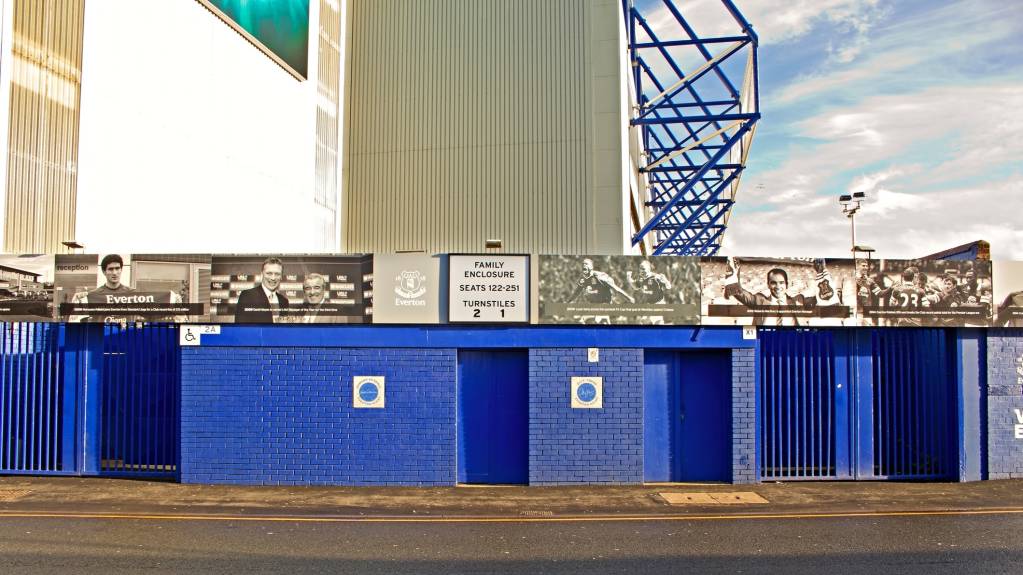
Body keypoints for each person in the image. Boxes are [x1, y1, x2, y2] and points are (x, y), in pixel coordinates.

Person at [723, 257, 832, 326]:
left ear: (787, 284)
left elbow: (822, 298)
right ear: (768, 284)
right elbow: (739, 293)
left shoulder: (799, 301)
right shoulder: (759, 301)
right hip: (765, 342)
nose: (778, 286)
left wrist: (821, 272)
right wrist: (734, 274)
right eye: (773, 283)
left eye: (781, 282)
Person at [234, 257, 289, 324]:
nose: (273, 278)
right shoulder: (247, 296)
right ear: (261, 275)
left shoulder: (284, 301)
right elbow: (241, 328)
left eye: (277, 274)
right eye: (269, 273)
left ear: (281, 277)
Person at [566, 258, 634, 304]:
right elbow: (577, 292)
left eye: (586, 264)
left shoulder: (600, 277)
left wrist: (628, 298)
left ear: (592, 267)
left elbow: (616, 289)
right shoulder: (582, 279)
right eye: (583, 264)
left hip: (605, 303)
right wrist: (568, 302)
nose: (584, 265)